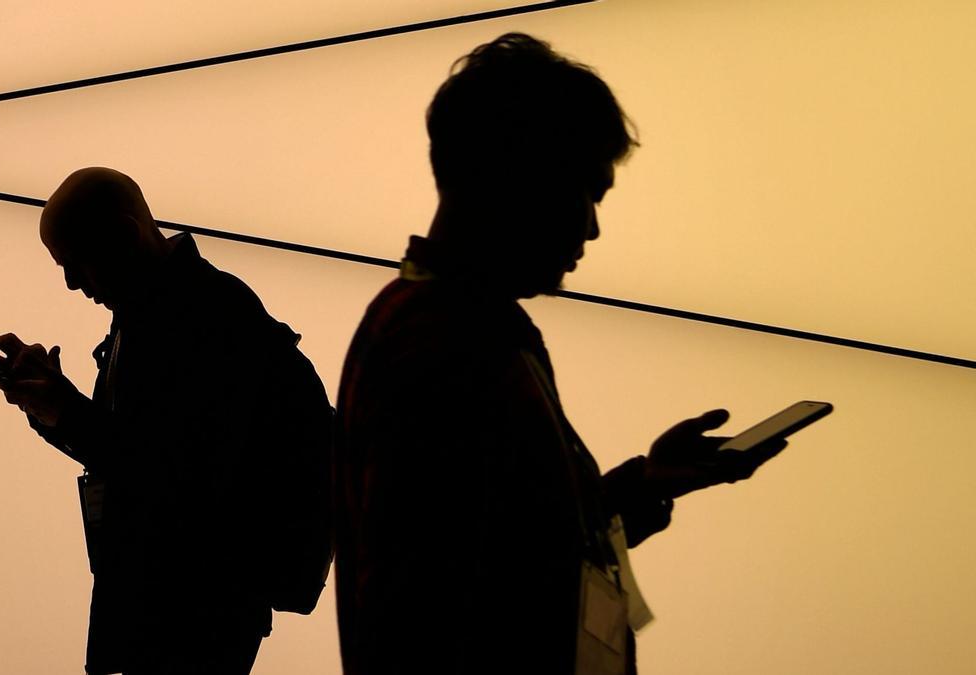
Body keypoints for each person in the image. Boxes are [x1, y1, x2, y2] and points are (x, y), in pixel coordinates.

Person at [333, 34, 788, 675]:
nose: (592, 228)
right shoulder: (444, 349)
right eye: (587, 193)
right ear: (519, 175)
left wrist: (644, 486)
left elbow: (508, 549)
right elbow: (427, 612)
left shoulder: (457, 329)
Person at [0, 167, 332, 675]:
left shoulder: (205, 320)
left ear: (123, 234)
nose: (73, 284)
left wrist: (64, 410)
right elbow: (138, 449)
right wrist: (55, 405)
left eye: (76, 263)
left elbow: (173, 472)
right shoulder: (165, 314)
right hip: (169, 595)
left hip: (194, 603)